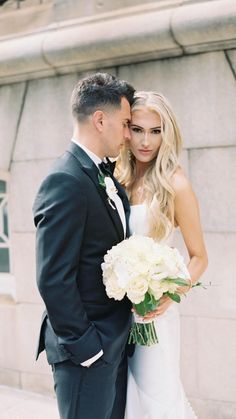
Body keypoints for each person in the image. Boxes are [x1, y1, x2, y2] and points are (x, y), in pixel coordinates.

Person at [33, 72, 135, 419]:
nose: (127, 135)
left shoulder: (101, 173)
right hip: (87, 353)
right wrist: (89, 349)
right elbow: (53, 277)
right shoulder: (65, 179)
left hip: (113, 344)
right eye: (124, 124)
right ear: (100, 120)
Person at [116, 91, 208, 419]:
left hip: (153, 313)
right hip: (116, 311)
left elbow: (199, 257)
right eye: (138, 129)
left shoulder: (175, 184)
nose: (146, 141)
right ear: (126, 131)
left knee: (158, 397)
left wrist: (172, 292)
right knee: (126, 400)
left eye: (155, 131)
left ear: (166, 133)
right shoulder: (118, 179)